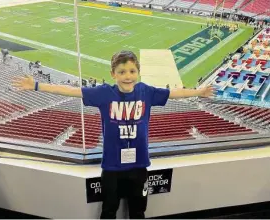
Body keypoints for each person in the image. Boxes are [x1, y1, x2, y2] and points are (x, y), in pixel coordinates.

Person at [12, 50, 214, 219]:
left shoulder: (146, 91)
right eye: (122, 71)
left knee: (138, 210)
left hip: (139, 165)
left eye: (133, 71)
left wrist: (199, 92)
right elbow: (71, 91)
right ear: (113, 74)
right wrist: (36, 85)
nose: (128, 76)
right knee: (109, 210)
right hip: (111, 166)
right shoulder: (104, 93)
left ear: (139, 72)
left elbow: (173, 93)